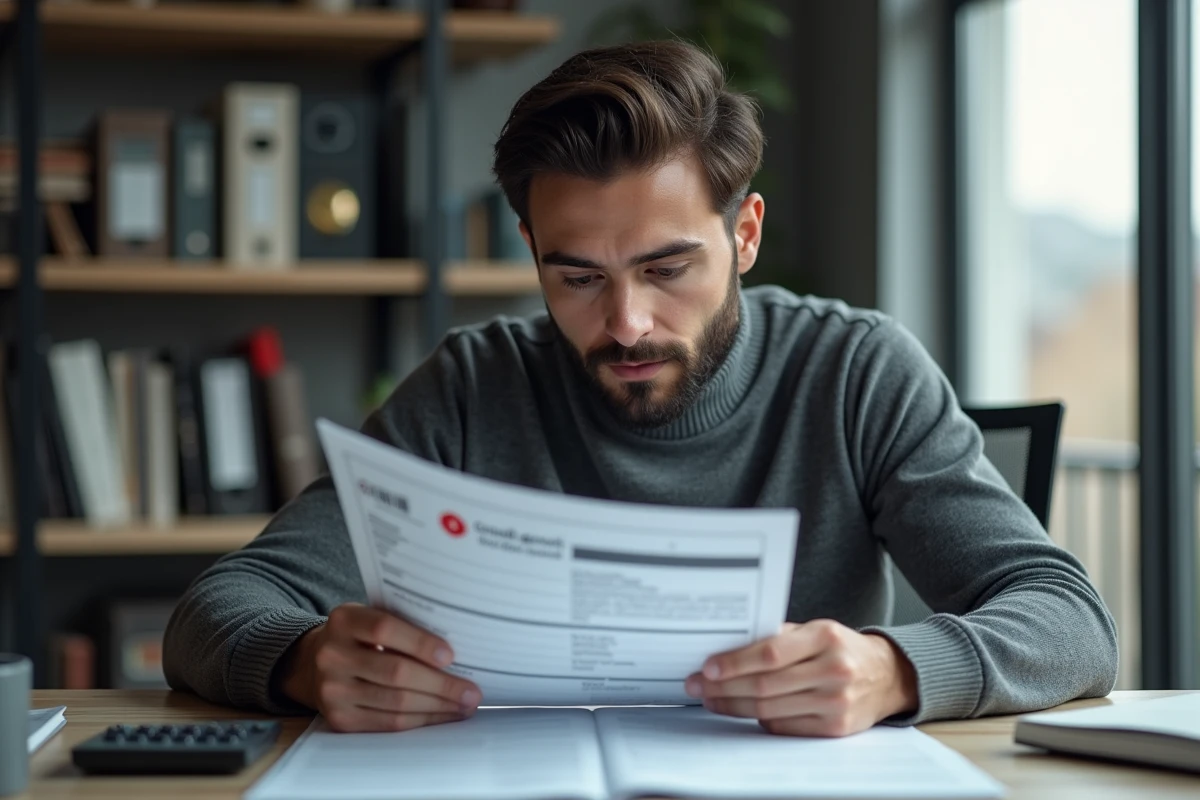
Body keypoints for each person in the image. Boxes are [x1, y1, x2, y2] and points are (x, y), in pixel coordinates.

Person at [163, 40, 1117, 738]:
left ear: (743, 236)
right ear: (532, 253)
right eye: (577, 278)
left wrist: (897, 668)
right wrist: (299, 663)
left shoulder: (857, 371)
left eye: (668, 269)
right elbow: (223, 604)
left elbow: (1068, 620)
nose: (625, 324)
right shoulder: (471, 384)